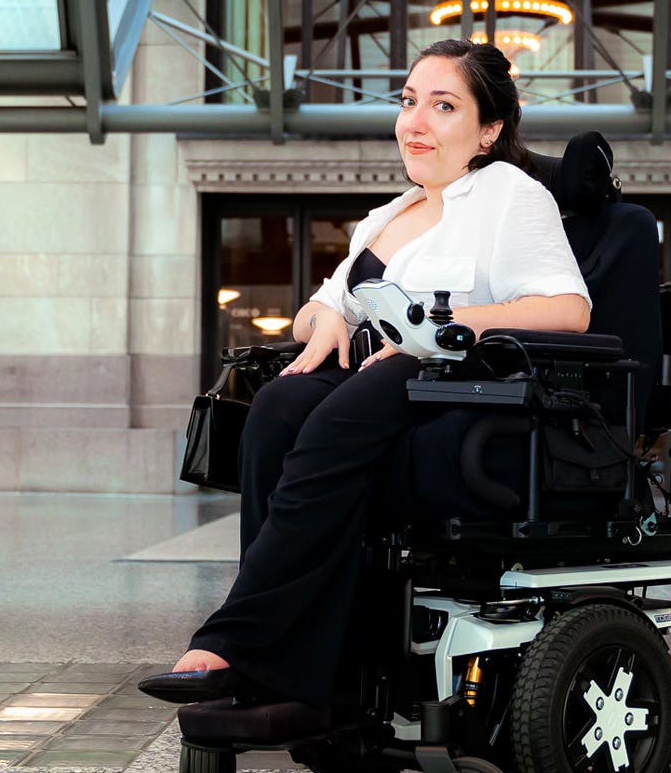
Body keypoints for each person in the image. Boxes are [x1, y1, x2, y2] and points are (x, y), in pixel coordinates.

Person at [139, 39, 591, 737]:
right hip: (377, 393)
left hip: (462, 389)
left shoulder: (509, 196)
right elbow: (319, 308)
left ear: (489, 129)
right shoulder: (385, 216)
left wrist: (434, 327)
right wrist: (321, 320)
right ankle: (308, 688)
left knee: (344, 409)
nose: (415, 121)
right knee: (280, 405)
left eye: (444, 106)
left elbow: (568, 311)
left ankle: (238, 643)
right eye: (410, 101)